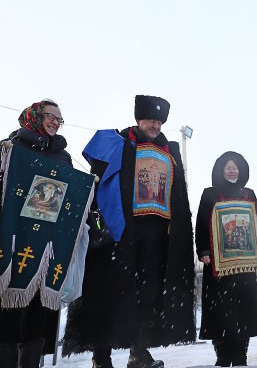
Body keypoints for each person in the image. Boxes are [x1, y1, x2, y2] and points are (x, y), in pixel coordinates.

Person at [62, 95, 196, 368]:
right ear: (138, 120)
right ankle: (102, 357)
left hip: (156, 233)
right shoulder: (119, 144)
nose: (155, 125)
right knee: (108, 292)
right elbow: (97, 182)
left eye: (159, 121)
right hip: (119, 229)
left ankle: (139, 351)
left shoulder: (169, 151)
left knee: (147, 294)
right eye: (151, 120)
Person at [0, 100, 75, 367]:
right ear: (34, 117)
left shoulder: (63, 157)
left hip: (48, 244)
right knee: (9, 306)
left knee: (37, 308)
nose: (56, 122)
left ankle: (31, 361)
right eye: (51, 116)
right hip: (14, 239)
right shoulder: (12, 148)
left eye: (59, 119)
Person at [195, 151, 257, 367]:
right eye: (228, 167)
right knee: (220, 309)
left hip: (245, 264)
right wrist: (203, 250)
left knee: (244, 308)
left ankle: (240, 354)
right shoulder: (210, 193)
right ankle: (223, 355)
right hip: (217, 264)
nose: (232, 170)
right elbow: (201, 222)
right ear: (220, 170)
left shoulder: (249, 194)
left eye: (235, 166)